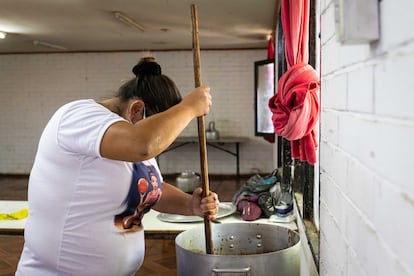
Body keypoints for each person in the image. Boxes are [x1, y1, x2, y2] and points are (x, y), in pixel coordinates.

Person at [15, 57, 219, 276]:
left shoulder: (130, 136)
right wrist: (188, 108)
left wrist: (190, 206)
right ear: (136, 109)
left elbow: (150, 187)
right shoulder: (77, 115)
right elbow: (144, 144)